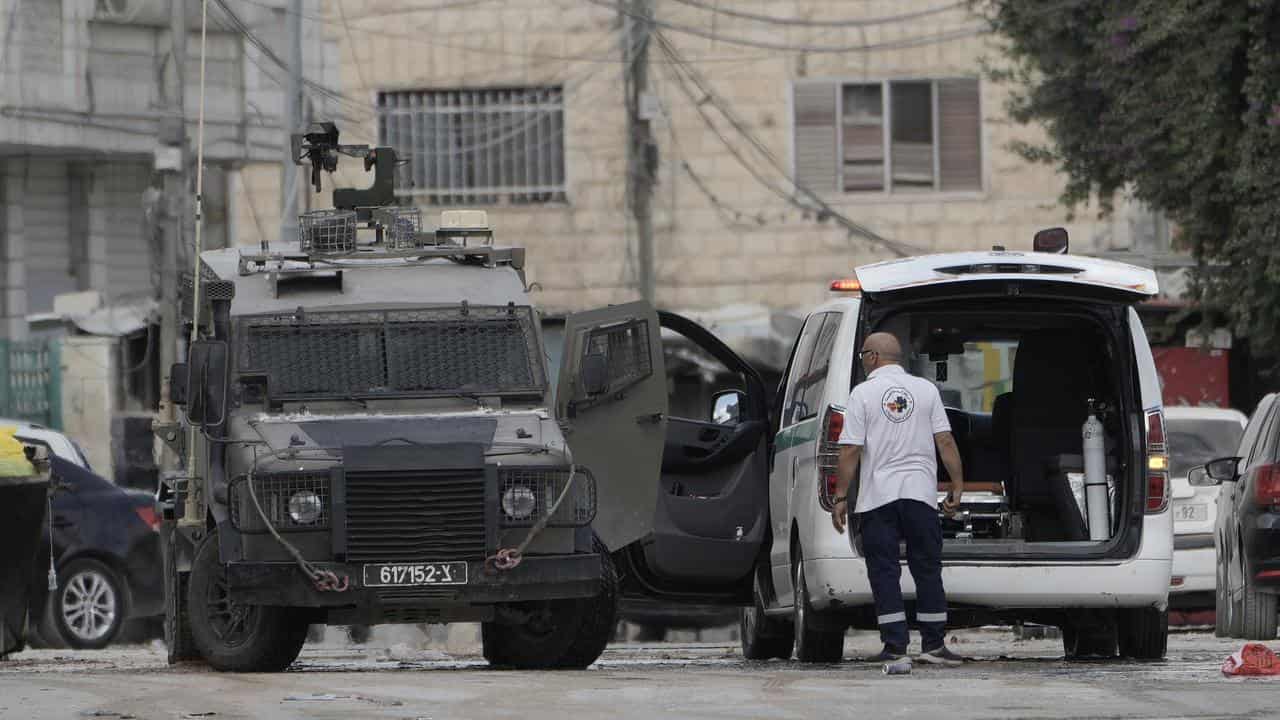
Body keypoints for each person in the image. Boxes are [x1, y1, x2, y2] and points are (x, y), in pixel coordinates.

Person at [831, 332, 966, 665]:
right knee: (927, 568)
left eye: (864, 354)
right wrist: (957, 484)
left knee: (884, 571)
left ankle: (895, 647)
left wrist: (839, 495)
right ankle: (934, 646)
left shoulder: (862, 394)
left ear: (874, 356)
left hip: (879, 498)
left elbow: (850, 449)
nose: (862, 360)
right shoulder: (926, 390)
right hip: (920, 494)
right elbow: (945, 441)